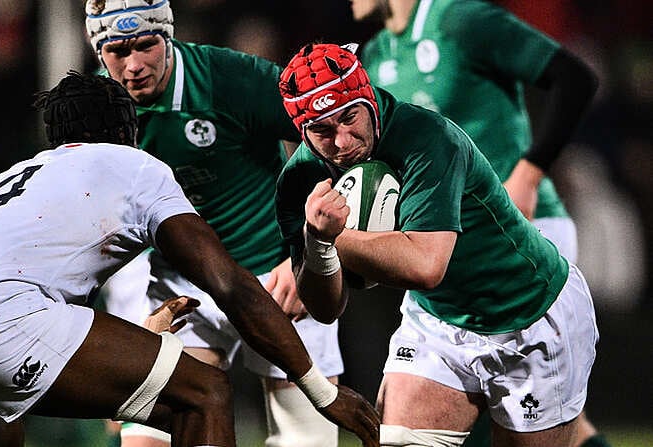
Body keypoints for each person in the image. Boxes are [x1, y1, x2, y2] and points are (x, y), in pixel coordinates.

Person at [0, 71, 380, 447]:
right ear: (127, 129)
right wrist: (322, 391)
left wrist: (137, 341)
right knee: (203, 391)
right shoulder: (132, 164)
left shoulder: (3, 181)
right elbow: (231, 286)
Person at [275, 43, 599, 447]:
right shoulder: (300, 180)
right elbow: (325, 308)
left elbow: (426, 267)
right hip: (438, 321)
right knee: (395, 442)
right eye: (322, 130)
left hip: (528, 311)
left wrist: (333, 237)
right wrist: (316, 244)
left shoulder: (427, 138)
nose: (342, 142)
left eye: (349, 117)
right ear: (301, 131)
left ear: (369, 99)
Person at [84, 1, 344, 446]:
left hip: (274, 275)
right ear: (97, 50)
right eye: (117, 51)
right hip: (180, 285)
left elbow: (336, 137)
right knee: (149, 439)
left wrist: (305, 252)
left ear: (168, 35)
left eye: (146, 45)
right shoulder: (96, 109)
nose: (134, 65)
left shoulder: (230, 78)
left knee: (307, 437)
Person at [348, 1, 606, 445]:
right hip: (445, 246)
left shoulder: (461, 20)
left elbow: (575, 78)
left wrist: (529, 172)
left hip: (524, 234)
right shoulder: (374, 54)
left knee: (527, 412)